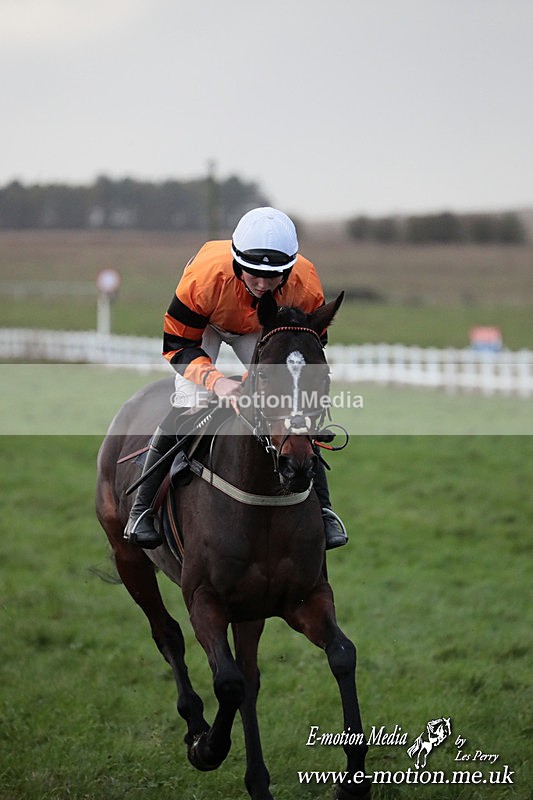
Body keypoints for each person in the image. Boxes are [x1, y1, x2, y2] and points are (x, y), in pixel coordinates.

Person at [125, 207, 348, 550]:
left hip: (264, 330)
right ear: (236, 262)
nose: (262, 284)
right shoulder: (203, 279)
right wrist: (218, 382)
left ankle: (326, 511)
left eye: (273, 276)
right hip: (204, 326)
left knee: (295, 410)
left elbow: (306, 353)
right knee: (190, 404)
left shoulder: (305, 284)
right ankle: (141, 509)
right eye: (254, 274)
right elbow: (177, 344)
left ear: (289, 269)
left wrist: (262, 383)